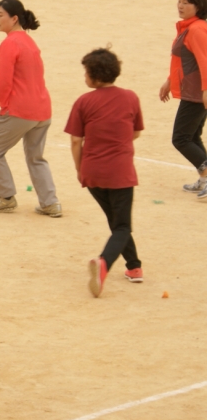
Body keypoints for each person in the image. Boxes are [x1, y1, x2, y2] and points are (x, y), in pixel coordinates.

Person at [65, 49, 144, 298]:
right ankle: (104, 263)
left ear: (94, 75)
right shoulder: (130, 97)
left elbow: (76, 141)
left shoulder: (83, 102)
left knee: (116, 220)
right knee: (121, 224)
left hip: (93, 172)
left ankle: (134, 266)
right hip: (120, 171)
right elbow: (136, 132)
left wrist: (80, 169)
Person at [0, 0, 62, 217]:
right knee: (36, 157)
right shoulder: (29, 41)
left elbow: (4, 82)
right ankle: (50, 203)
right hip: (43, 109)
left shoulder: (10, 44)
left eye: (1, 15)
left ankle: (4, 197)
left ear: (14, 18)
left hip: (20, 109)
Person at [160, 0, 207, 197]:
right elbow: (185, 61)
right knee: (193, 136)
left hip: (197, 94)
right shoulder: (189, 27)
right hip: (194, 91)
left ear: (198, 6)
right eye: (179, 1)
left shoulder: (197, 29)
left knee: (180, 138)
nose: (180, 6)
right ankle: (204, 176)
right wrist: (170, 81)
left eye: (186, 2)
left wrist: (206, 89)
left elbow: (205, 62)